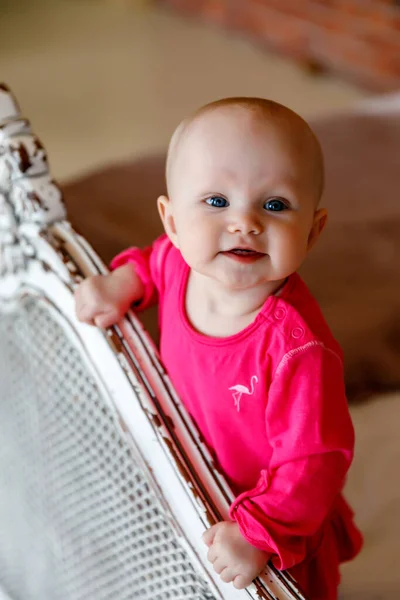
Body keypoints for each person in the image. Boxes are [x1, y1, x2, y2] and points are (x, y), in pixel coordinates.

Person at [74, 98, 363, 599]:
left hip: (273, 522)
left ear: (313, 232)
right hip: (196, 474)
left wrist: (258, 532)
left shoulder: (297, 351)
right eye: (215, 201)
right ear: (171, 221)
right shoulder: (180, 262)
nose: (244, 222)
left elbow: (314, 462)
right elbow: (152, 263)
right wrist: (124, 281)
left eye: (275, 205)